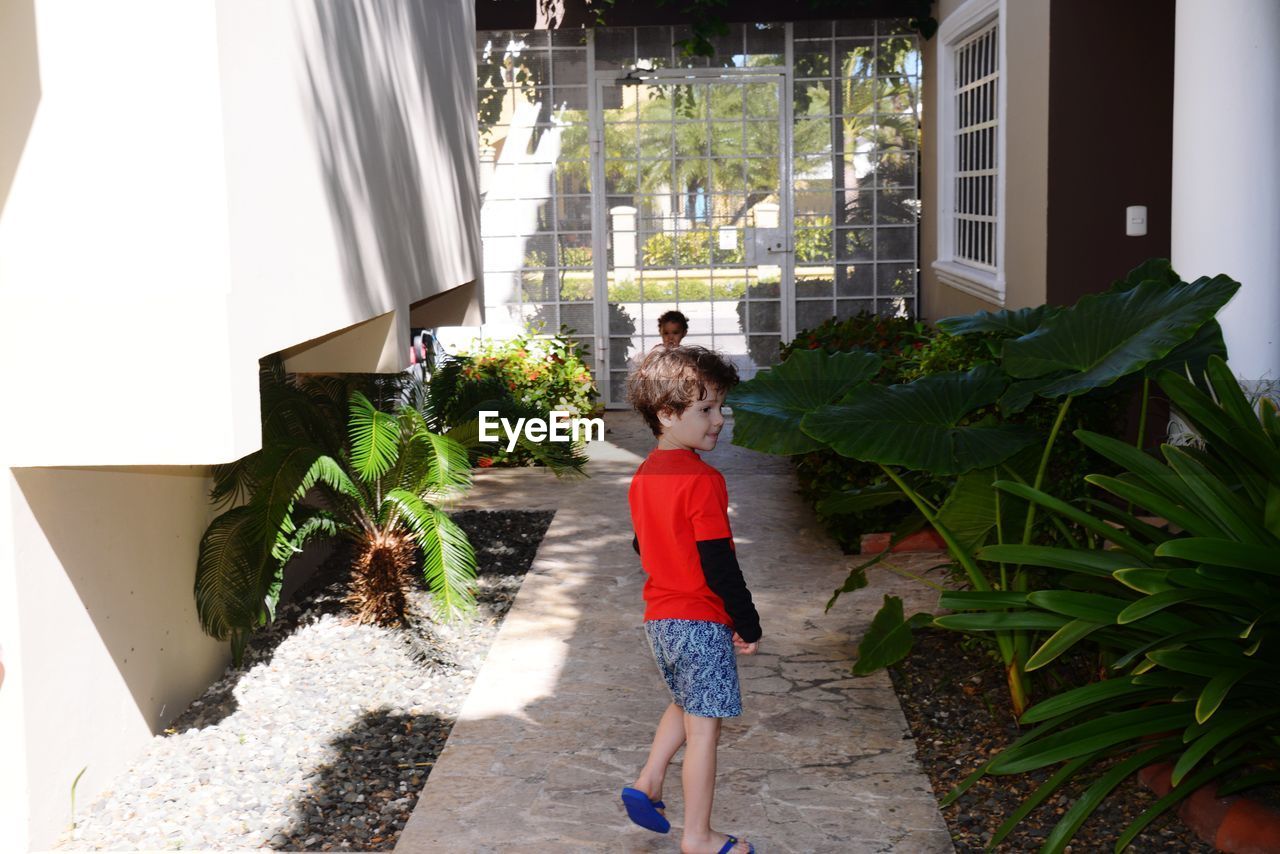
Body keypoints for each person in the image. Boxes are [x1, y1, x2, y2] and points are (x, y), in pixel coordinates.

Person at [620, 345, 761, 854]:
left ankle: (648, 782)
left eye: (720, 407)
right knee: (705, 730)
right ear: (667, 414)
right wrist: (747, 622)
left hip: (661, 620)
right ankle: (698, 837)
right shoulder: (703, 481)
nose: (718, 420)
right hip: (700, 619)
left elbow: (643, 543)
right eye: (705, 410)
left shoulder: (643, 476)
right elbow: (720, 563)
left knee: (685, 703)